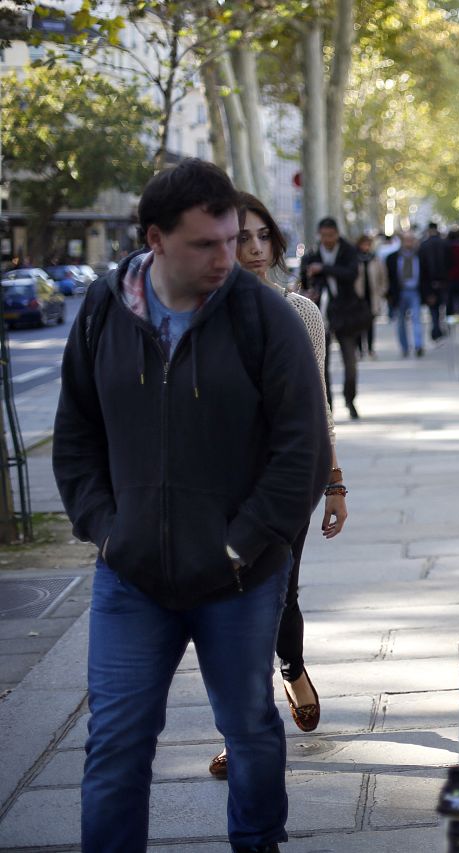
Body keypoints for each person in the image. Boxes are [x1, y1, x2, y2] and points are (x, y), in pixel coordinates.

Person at [53, 158, 329, 853]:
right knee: (114, 743)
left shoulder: (265, 315)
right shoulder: (103, 308)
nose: (228, 257)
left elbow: (302, 448)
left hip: (240, 577)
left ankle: (258, 843)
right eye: (207, 243)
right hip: (131, 576)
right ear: (156, 239)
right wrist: (108, 532)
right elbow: (76, 434)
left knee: (250, 731)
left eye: (234, 239)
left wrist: (243, 542)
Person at [202, 191, 350, 783]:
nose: (256, 249)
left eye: (264, 236)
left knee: (275, 595)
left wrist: (335, 483)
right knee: (230, 608)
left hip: (290, 481)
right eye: (243, 238)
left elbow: (318, 406)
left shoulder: (301, 313)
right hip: (220, 487)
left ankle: (288, 671)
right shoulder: (201, 315)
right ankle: (245, 728)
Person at [300, 217, 364, 419]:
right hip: (321, 315)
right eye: (324, 236)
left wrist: (324, 269)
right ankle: (327, 407)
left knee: (350, 363)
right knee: (322, 365)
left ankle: (350, 399)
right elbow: (304, 282)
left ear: (337, 234)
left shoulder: (348, 251)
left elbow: (351, 274)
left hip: (346, 313)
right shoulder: (311, 255)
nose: (327, 240)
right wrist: (309, 292)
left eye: (331, 235)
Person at [385, 230, 425, 357]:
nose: (409, 243)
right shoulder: (392, 258)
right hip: (399, 293)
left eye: (411, 240)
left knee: (416, 318)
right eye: (406, 240)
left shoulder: (420, 256)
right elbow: (389, 278)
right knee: (401, 321)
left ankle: (418, 345)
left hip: (415, 292)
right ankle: (404, 347)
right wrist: (389, 295)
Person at [354, 234, 386, 359]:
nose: (366, 247)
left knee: (370, 325)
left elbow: (383, 277)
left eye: (368, 244)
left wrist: (382, 291)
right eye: (364, 244)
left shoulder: (375, 259)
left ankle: (371, 349)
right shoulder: (355, 259)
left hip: (372, 297)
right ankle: (360, 350)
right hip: (358, 298)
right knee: (358, 324)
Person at [418, 221, 449, 342]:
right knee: (441, 306)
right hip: (443, 282)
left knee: (433, 308)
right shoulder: (444, 244)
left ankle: (436, 328)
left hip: (429, 283)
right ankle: (438, 328)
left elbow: (421, 267)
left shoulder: (424, 245)